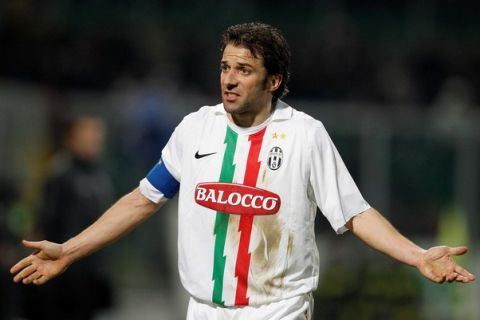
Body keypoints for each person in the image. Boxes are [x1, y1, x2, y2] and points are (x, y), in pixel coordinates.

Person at [10, 23, 475, 319]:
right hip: (204, 310)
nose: (228, 79)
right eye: (225, 67)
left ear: (273, 82)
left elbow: (355, 214)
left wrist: (417, 256)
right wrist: (69, 250)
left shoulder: (306, 135)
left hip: (277, 310)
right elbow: (143, 198)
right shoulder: (195, 128)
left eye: (244, 70)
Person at [34, 116, 115, 319]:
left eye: (97, 138)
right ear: (71, 139)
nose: (93, 143)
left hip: (92, 272)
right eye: (87, 137)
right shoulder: (60, 174)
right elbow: (46, 220)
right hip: (64, 274)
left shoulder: (100, 176)